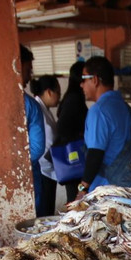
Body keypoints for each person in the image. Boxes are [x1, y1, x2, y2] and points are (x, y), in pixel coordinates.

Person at [79, 55, 131, 196]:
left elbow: (95, 155)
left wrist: (82, 189)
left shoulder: (99, 111)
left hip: (109, 190)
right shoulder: (122, 105)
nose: (81, 85)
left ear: (94, 80)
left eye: (83, 79)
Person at [54, 61, 88, 202]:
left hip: (74, 161)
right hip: (74, 160)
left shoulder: (72, 97)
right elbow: (62, 128)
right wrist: (80, 135)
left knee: (76, 199)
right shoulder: (74, 99)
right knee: (76, 200)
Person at [19, 47, 46, 213]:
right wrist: (14, 167)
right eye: (28, 70)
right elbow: (36, 149)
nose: (30, 76)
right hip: (26, 180)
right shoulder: (30, 106)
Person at [31, 75, 60, 218]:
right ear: (49, 92)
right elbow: (43, 147)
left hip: (49, 170)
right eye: (58, 92)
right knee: (45, 213)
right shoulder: (38, 111)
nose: (59, 97)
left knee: (48, 208)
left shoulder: (45, 110)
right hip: (44, 170)